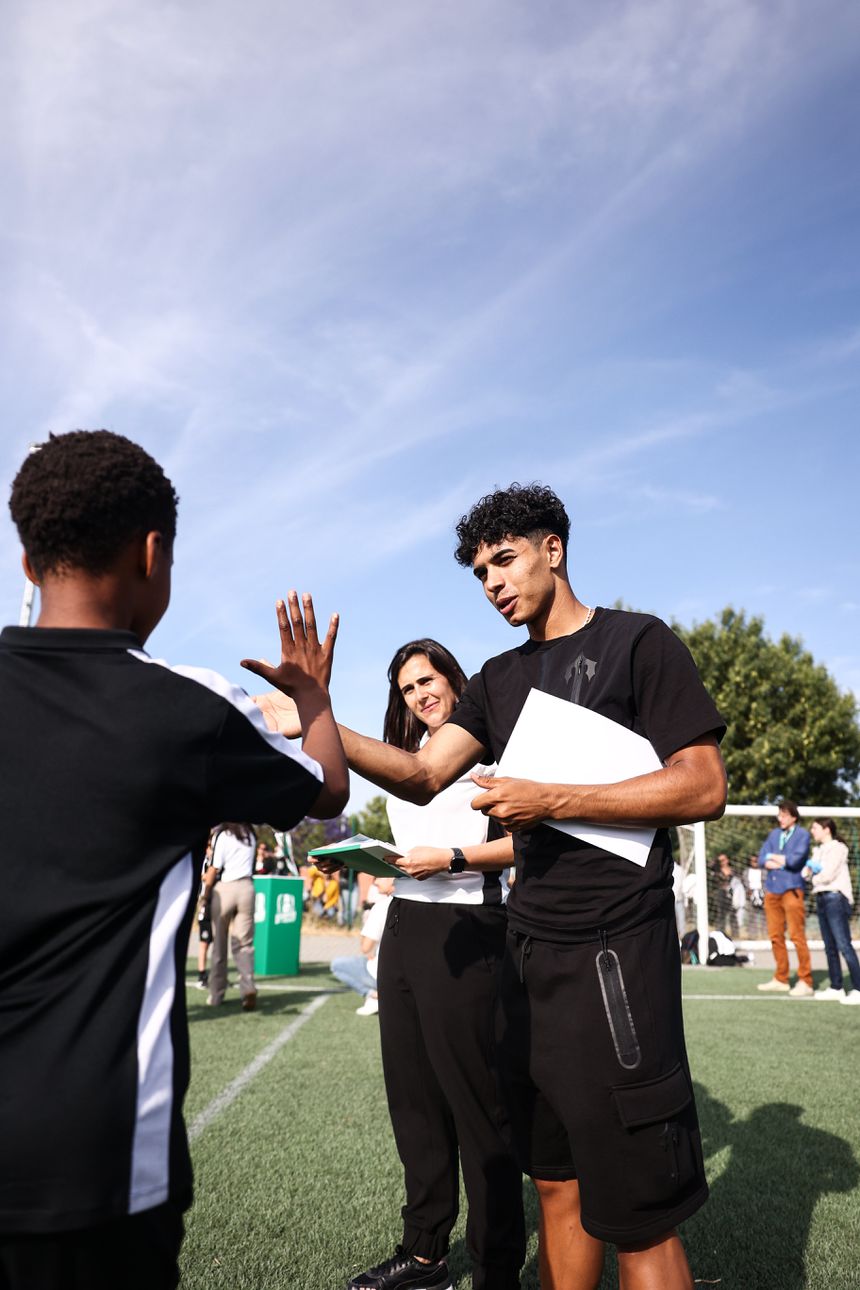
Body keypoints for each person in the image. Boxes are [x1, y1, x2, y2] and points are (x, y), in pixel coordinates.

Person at [261, 484, 727, 1290]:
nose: (493, 583)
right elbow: (418, 772)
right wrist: (317, 712)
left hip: (616, 956)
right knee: (554, 1180)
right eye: (479, 572)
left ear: (554, 548)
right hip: (524, 957)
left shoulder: (639, 644)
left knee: (640, 1217)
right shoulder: (498, 677)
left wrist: (553, 799)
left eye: (504, 560)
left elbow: (702, 786)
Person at [0, 429, 348, 1290]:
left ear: (25, 561)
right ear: (154, 553)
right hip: (96, 1159)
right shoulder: (185, 708)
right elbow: (328, 790)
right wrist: (311, 694)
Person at [756, 800, 813, 997]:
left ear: (793, 817)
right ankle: (781, 978)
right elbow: (762, 858)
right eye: (779, 814)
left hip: (792, 890)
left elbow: (796, 860)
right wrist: (778, 860)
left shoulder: (803, 835)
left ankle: (806, 980)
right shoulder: (774, 834)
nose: (780, 818)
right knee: (775, 936)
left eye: (784, 815)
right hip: (772, 891)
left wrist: (776, 859)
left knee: (797, 936)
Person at [202, 823, 258, 1011]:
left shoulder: (222, 835)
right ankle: (248, 987)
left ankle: (216, 994)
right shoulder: (250, 834)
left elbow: (214, 868)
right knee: (244, 944)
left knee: (219, 944)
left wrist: (206, 895)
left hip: (226, 889)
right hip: (247, 889)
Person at [804, 819, 860, 1005]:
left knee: (844, 944)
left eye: (815, 828)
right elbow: (806, 873)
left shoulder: (838, 848)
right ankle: (836, 987)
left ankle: (858, 988)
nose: (812, 831)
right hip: (821, 897)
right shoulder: (817, 850)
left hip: (836, 898)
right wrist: (812, 872)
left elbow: (827, 875)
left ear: (826, 829)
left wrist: (814, 875)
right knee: (829, 947)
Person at [330, 878, 394, 1015]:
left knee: (336, 965)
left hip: (382, 975)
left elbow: (365, 948)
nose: (375, 882)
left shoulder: (382, 907)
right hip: (411, 976)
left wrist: (367, 924)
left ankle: (373, 995)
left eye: (379, 877)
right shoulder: (416, 906)